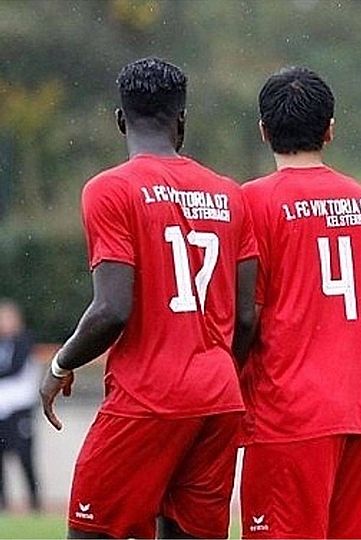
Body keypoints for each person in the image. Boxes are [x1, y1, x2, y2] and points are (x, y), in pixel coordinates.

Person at [38, 57, 258, 539]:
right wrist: (216, 374)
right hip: (218, 398)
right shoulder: (229, 193)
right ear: (182, 119)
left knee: (91, 531)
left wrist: (59, 366)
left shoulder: (110, 190)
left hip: (149, 396)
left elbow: (112, 309)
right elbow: (245, 318)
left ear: (121, 120)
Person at [238, 66, 361, 538]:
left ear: (264, 130)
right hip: (360, 414)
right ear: (330, 129)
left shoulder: (252, 202)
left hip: (286, 416)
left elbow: (245, 313)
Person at [0, 300, 41, 512]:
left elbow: (14, 368)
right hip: (2, 409)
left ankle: (34, 502)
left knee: (25, 456)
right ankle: (3, 504)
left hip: (20, 407)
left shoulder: (24, 341)